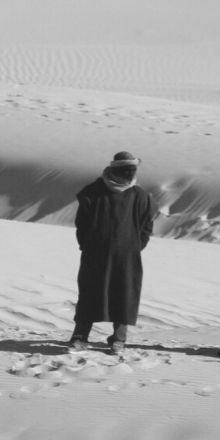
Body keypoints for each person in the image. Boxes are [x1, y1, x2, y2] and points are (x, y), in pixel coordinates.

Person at [68, 151, 154, 354]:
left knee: (124, 295)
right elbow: (82, 225)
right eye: (126, 170)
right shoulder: (94, 192)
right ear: (114, 170)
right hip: (94, 255)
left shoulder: (139, 195)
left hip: (127, 257)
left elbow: (146, 227)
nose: (130, 174)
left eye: (132, 170)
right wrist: (89, 246)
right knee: (90, 294)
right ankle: (80, 337)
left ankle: (118, 340)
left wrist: (133, 247)